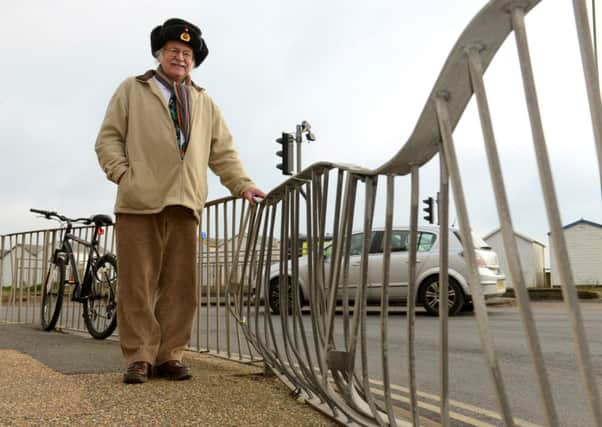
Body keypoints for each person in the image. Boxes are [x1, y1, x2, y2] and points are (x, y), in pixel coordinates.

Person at [95, 18, 265, 384]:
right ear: (159, 54)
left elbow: (224, 153)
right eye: (173, 50)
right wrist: (124, 175)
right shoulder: (132, 89)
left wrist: (243, 185)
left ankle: (169, 355)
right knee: (136, 283)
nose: (180, 57)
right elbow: (108, 139)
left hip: (186, 201)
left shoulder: (204, 102)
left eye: (187, 53)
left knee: (180, 285)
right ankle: (139, 356)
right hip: (140, 201)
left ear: (195, 61)